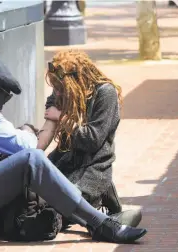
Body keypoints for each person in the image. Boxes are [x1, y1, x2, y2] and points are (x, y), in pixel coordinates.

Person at [0, 57, 147, 243]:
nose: (2, 106)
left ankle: (97, 215)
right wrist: (51, 121)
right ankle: (99, 223)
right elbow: (31, 147)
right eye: (5, 97)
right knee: (32, 158)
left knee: (24, 153)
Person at [37, 50, 123, 217]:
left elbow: (93, 139)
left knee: (60, 211)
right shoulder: (60, 91)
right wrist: (33, 152)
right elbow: (49, 124)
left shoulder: (106, 93)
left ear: (77, 81)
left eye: (61, 89)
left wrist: (62, 118)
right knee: (35, 200)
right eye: (56, 88)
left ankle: (101, 193)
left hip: (93, 166)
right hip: (64, 160)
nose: (58, 93)